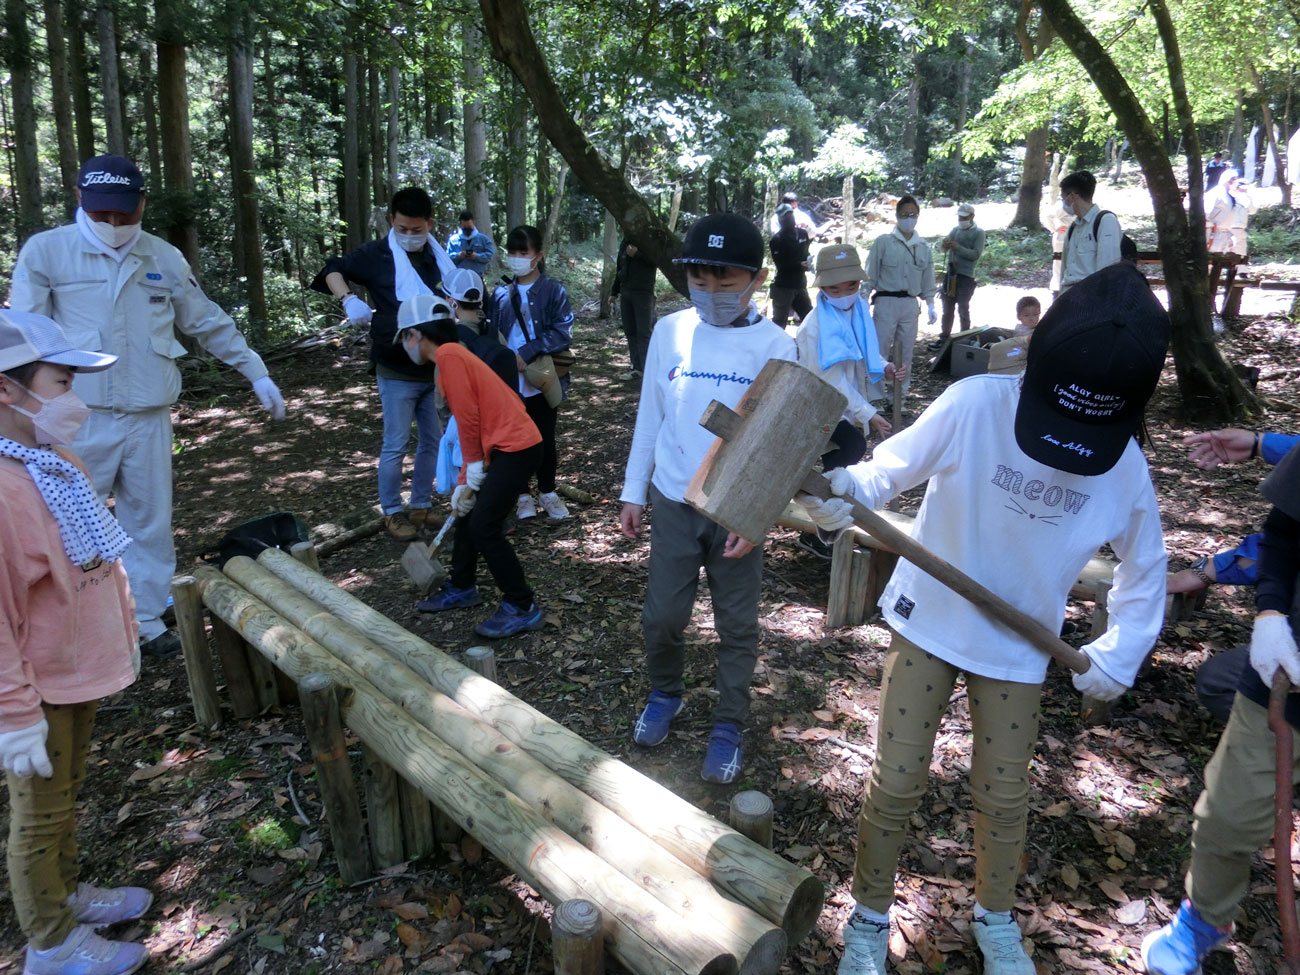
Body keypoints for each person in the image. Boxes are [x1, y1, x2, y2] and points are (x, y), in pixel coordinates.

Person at [803, 262, 1169, 975]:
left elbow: (1145, 566)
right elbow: (888, 471)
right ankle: (869, 916)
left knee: (1004, 791)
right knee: (898, 775)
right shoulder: (976, 404)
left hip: (1019, 644)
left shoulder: (1124, 467)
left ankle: (994, 916)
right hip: (929, 621)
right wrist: (846, 490)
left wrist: (1121, 649)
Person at [9, 154, 286, 660]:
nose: (114, 225)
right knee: (68, 520)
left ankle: (148, 620)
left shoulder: (163, 257)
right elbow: (25, 336)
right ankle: (77, 625)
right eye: (102, 215)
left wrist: (255, 370)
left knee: (149, 521)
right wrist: (27, 411)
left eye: (124, 214)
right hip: (75, 415)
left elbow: (204, 319)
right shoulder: (48, 252)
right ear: (80, 200)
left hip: (149, 411)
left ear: (142, 203)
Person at [0, 311, 153, 975]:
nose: (75, 401)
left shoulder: (49, 460)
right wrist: (13, 716)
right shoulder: (4, 492)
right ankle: (52, 943)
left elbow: (91, 555)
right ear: (8, 390)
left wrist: (126, 621)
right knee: (38, 814)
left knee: (68, 796)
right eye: (61, 382)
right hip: (39, 690)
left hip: (80, 669)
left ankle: (66, 894)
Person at [619, 213, 796, 784]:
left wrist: (760, 515)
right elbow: (652, 413)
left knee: (737, 624)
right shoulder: (670, 332)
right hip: (672, 497)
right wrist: (633, 491)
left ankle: (728, 726)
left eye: (727, 282)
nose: (713, 294)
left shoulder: (777, 346)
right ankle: (665, 693)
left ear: (757, 279)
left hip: (734, 509)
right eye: (700, 282)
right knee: (663, 616)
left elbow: (782, 444)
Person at [1140, 441, 1300, 975]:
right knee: (1226, 821)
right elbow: (1284, 532)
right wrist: (1271, 613)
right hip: (1287, 678)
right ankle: (1205, 919)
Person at [311, 186, 454, 542]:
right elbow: (332, 269)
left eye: (416, 229)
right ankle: (392, 511)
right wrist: (347, 300)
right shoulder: (376, 255)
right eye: (402, 228)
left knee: (432, 440)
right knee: (396, 443)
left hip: (434, 366)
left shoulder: (440, 259)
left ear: (429, 225)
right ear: (392, 221)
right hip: (395, 367)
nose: (408, 235)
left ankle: (420, 505)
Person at [400, 296, 545, 639]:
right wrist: (466, 480)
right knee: (468, 516)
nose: (405, 345)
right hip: (505, 446)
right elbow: (472, 422)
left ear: (418, 334)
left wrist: (474, 470)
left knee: (484, 526)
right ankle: (462, 585)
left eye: (404, 337)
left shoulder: (449, 355)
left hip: (517, 447)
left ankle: (522, 605)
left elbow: (468, 419)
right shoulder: (451, 357)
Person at [793, 245, 903, 559]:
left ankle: (831, 527)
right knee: (851, 447)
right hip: (813, 404)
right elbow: (832, 380)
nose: (843, 293)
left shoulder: (854, 312)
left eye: (851, 285)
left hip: (840, 404)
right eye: (833, 288)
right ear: (821, 287)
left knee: (848, 455)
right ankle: (824, 530)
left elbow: (861, 350)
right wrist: (870, 413)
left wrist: (885, 367)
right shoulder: (815, 327)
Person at [490, 225, 575, 522]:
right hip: (507, 381)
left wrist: (526, 353)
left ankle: (548, 491)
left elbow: (562, 332)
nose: (516, 258)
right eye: (511, 252)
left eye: (522, 252)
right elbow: (491, 335)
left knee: (544, 438)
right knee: (513, 440)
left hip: (541, 378)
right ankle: (522, 495)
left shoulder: (553, 291)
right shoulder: (500, 294)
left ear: (537, 256)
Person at [863, 195, 936, 410]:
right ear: (897, 216)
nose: (909, 218)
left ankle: (898, 398)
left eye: (913, 215)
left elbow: (928, 278)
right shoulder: (883, 243)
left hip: (909, 304)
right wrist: (862, 300)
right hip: (885, 301)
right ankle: (875, 396)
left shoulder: (922, 247)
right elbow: (870, 274)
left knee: (905, 353)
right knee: (879, 349)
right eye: (905, 215)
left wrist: (930, 303)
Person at [1058, 171, 1123, 293]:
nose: (1063, 204)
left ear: (1072, 196)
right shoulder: (1073, 228)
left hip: (1090, 297)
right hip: (1068, 297)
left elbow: (1107, 271)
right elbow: (1064, 270)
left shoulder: (1105, 221)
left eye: (1063, 198)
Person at [1204, 169, 1256, 305]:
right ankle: (1204, 295)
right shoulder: (1215, 193)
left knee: (1219, 263)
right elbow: (1205, 212)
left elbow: (1250, 209)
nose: (1234, 182)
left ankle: (1211, 297)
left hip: (1224, 233)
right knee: (1208, 263)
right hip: (1212, 233)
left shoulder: (1232, 196)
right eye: (1232, 179)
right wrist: (1211, 225)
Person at [937, 203, 986, 344]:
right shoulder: (955, 230)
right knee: (947, 308)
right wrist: (945, 244)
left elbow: (975, 254)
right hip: (950, 274)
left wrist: (958, 248)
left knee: (963, 308)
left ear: (972, 216)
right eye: (959, 216)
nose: (961, 219)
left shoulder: (979, 233)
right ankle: (944, 337)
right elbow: (942, 249)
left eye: (964, 217)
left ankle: (964, 337)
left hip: (966, 276)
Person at [610, 235, 658, 380]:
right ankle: (637, 368)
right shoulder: (626, 241)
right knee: (630, 331)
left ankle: (648, 370)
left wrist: (637, 255)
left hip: (643, 293)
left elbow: (656, 261)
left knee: (644, 332)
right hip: (626, 291)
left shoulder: (649, 240)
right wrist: (614, 292)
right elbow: (620, 267)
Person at [768, 204, 813, 328]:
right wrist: (799, 265)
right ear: (779, 220)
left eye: (789, 215)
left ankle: (809, 345)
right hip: (783, 288)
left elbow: (806, 253)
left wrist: (809, 262)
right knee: (779, 323)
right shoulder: (777, 240)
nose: (788, 219)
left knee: (810, 319)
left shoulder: (803, 234)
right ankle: (778, 347)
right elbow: (781, 264)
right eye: (784, 217)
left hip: (800, 285)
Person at [446, 210, 496, 279]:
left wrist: (476, 256)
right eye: (465, 227)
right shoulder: (453, 240)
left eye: (469, 227)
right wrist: (459, 255)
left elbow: (490, 255)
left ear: (473, 223)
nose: (467, 229)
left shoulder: (484, 239)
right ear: (460, 224)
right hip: (459, 276)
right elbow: (447, 258)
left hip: (477, 276)